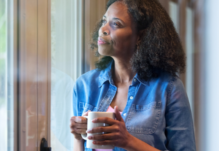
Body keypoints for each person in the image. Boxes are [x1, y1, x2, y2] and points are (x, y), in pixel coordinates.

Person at [70, 0, 196, 151]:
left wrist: (127, 141)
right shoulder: (84, 85)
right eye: (104, 21)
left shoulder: (169, 88)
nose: (103, 29)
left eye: (115, 24)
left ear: (140, 36)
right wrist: (78, 137)